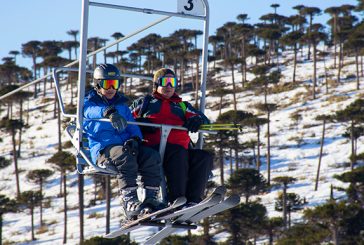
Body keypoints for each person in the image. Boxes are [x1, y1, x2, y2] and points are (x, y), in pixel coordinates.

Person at [83, 64, 165, 219]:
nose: (111, 88)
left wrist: (136, 138)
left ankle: (150, 198)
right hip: (103, 149)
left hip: (125, 146)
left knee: (151, 155)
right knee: (124, 156)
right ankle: (130, 201)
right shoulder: (89, 103)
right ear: (98, 84)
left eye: (115, 84)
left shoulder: (122, 106)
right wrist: (107, 112)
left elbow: (131, 125)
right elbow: (89, 112)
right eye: (107, 84)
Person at [130, 68, 213, 206]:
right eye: (165, 81)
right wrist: (140, 124)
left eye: (172, 82)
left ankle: (193, 200)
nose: (169, 86)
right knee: (177, 153)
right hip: (154, 149)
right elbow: (126, 121)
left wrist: (197, 120)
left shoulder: (182, 106)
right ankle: (177, 199)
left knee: (203, 157)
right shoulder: (144, 103)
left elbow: (203, 119)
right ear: (156, 84)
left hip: (181, 149)